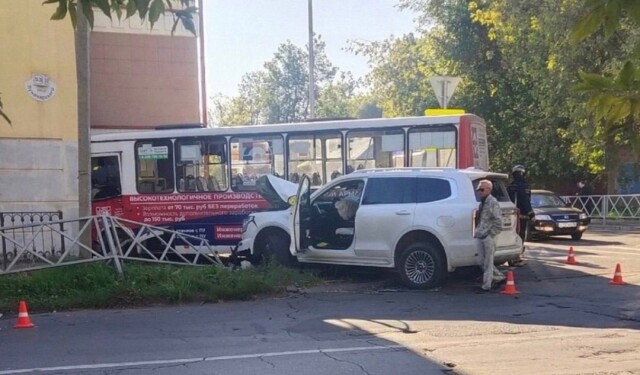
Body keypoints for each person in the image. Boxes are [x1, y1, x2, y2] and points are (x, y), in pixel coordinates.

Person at [474, 179, 506, 291]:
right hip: (481, 234)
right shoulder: (482, 202)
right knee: (482, 262)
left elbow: (498, 221)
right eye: (478, 190)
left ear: (489, 189)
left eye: (482, 189)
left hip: (488, 236)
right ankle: (499, 277)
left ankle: (486, 285)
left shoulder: (492, 202)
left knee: (487, 262)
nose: (479, 192)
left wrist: (490, 235)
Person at [507, 164, 535, 267]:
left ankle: (512, 257)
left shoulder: (510, 186)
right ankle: (516, 258)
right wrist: (531, 214)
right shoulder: (524, 186)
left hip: (511, 215)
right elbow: (525, 200)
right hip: (521, 215)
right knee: (520, 236)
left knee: (512, 236)